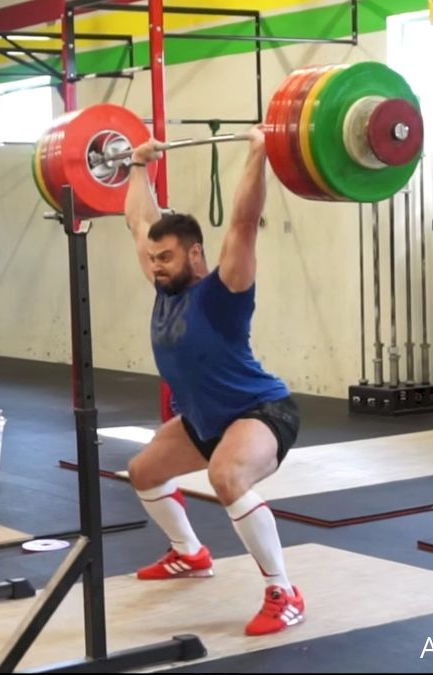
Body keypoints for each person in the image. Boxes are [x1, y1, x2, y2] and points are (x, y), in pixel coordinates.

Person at [123, 126, 304, 637]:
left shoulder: (224, 292)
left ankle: (283, 592)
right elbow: (139, 220)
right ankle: (190, 553)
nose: (156, 268)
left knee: (227, 478)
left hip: (261, 411)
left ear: (196, 254)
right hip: (206, 420)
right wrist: (138, 166)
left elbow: (245, 221)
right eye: (154, 259)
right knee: (143, 472)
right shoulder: (165, 288)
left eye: (167, 258)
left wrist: (258, 152)